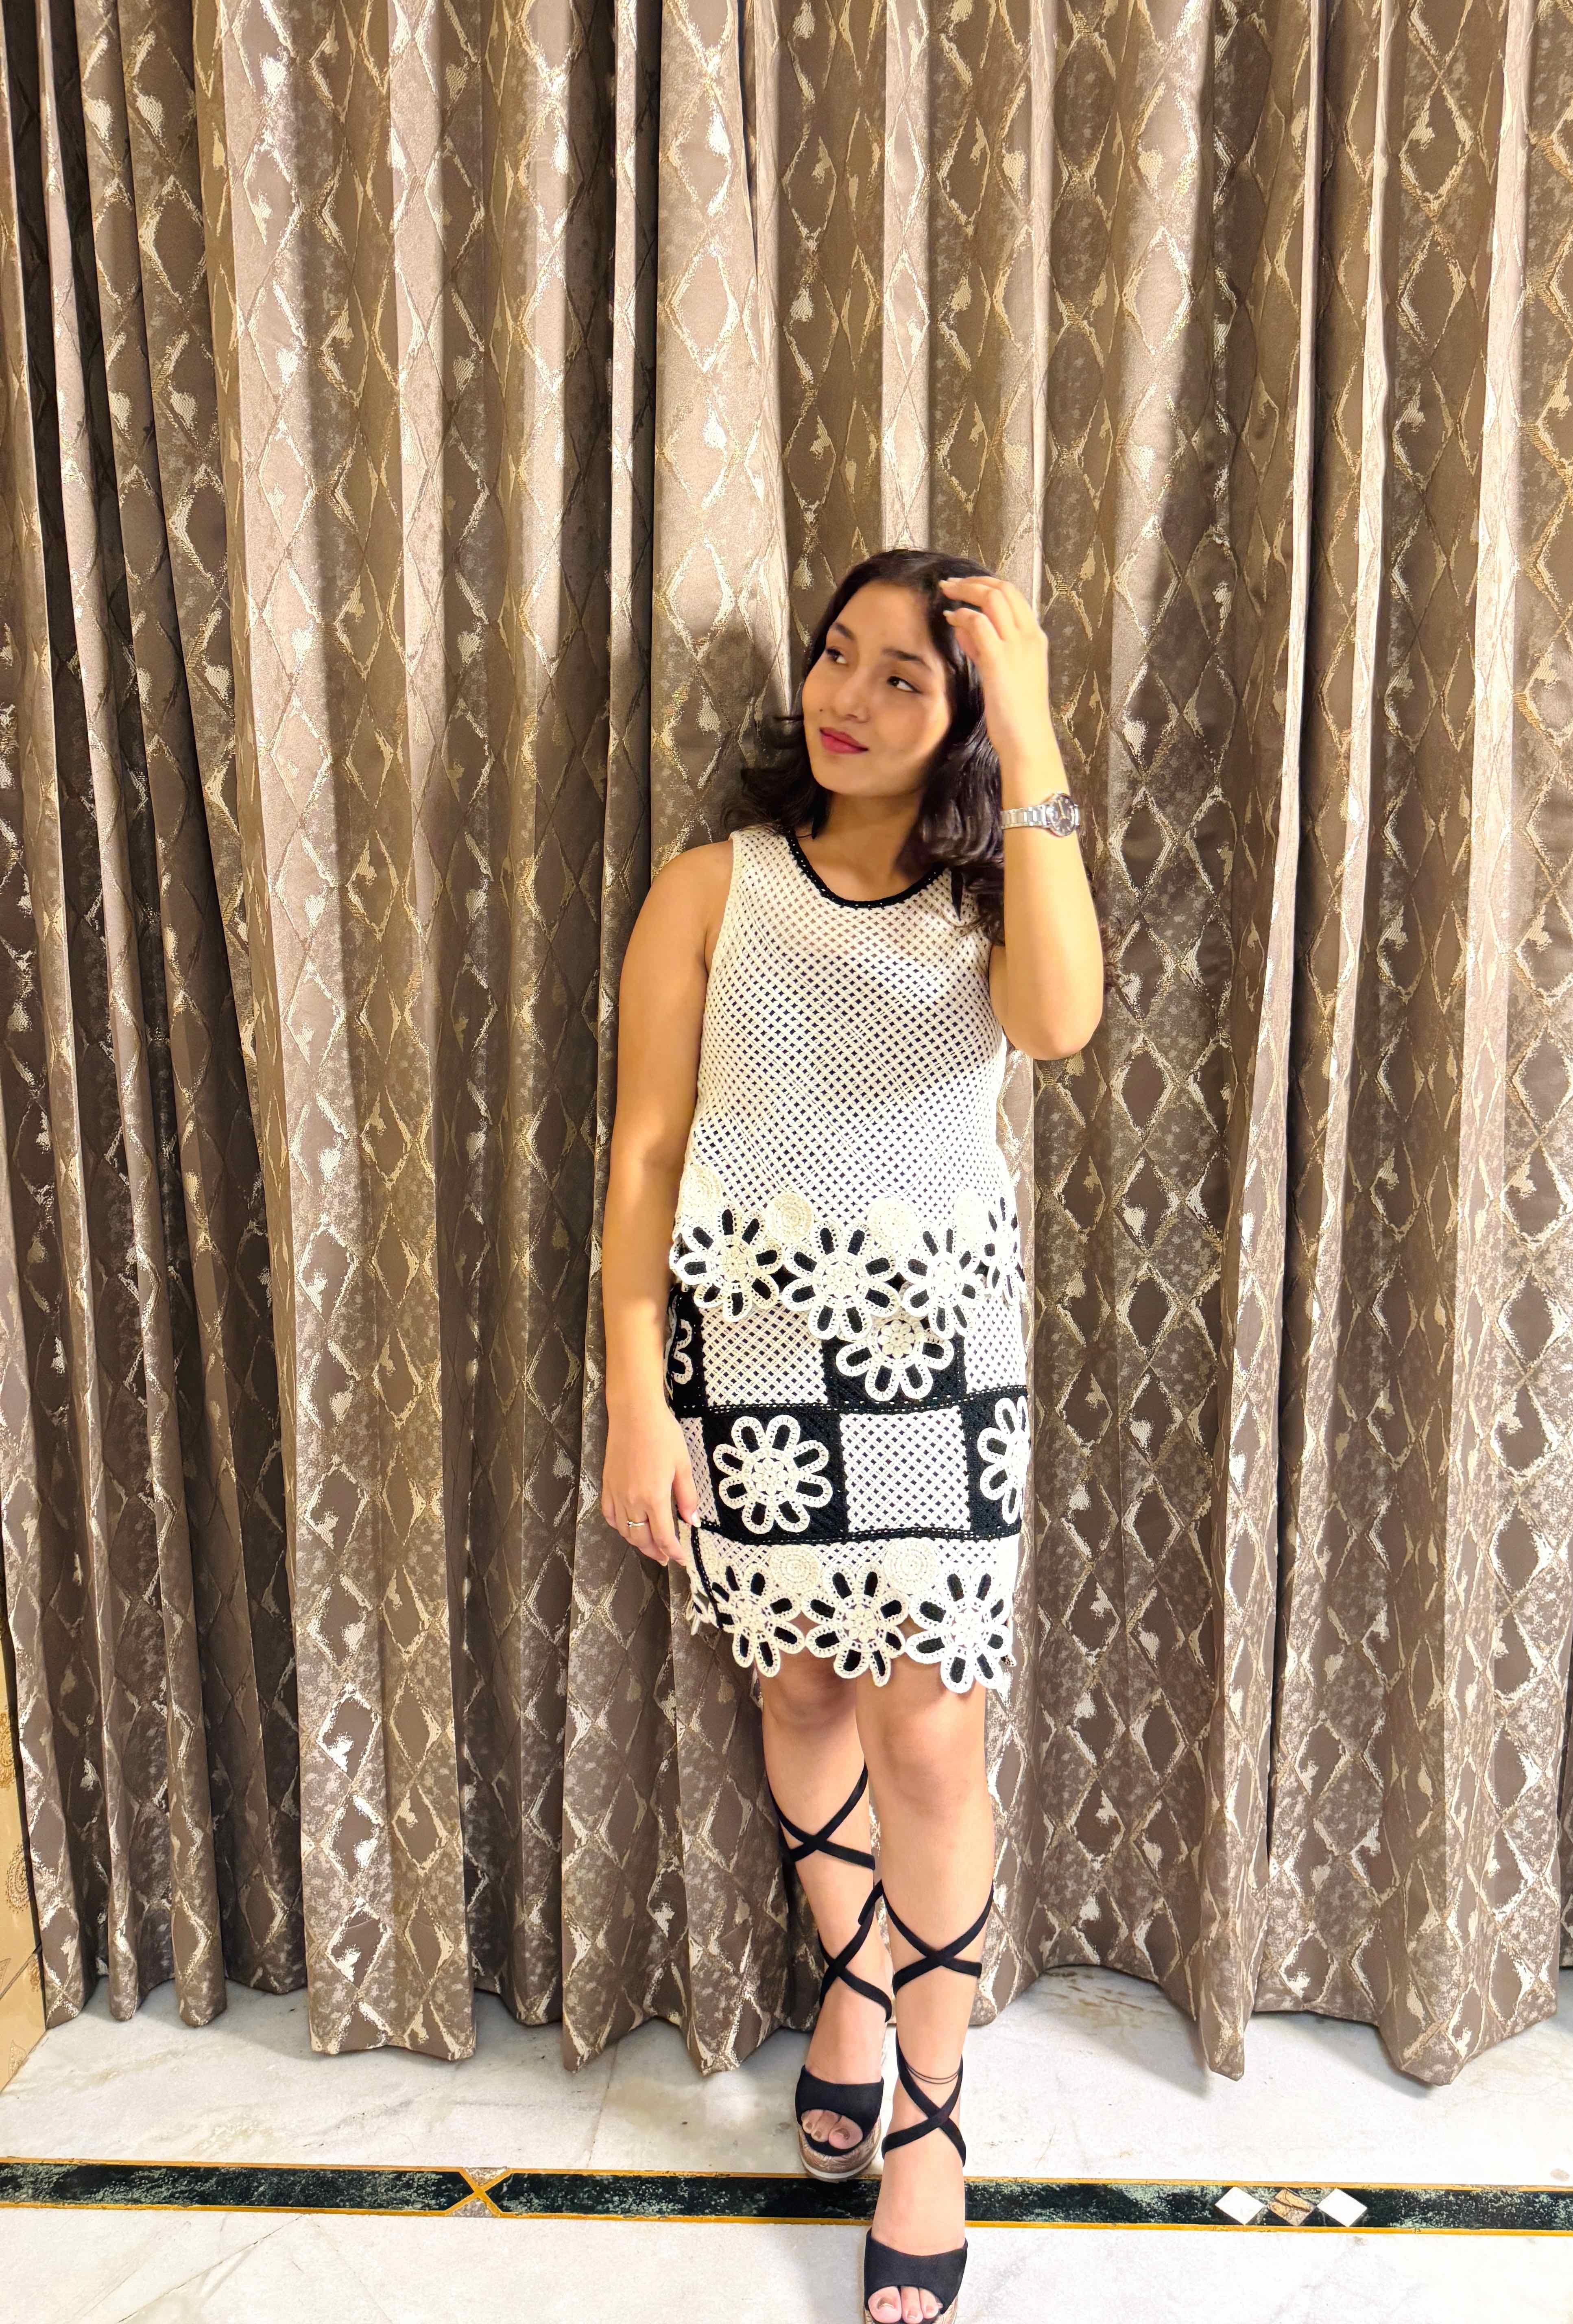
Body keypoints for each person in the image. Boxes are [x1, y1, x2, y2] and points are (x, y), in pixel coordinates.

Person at [600, 547, 1103, 2324]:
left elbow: (1059, 1025)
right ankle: (857, 1985)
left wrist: (1027, 715)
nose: (849, 696)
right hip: (751, 1344)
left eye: (906, 676)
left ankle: (934, 2125)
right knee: (804, 1694)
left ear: (959, 720)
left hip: (936, 1357)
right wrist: (637, 1395)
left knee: (933, 1740)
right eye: (837, 655)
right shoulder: (712, 887)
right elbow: (646, 1155)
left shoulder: (996, 896)